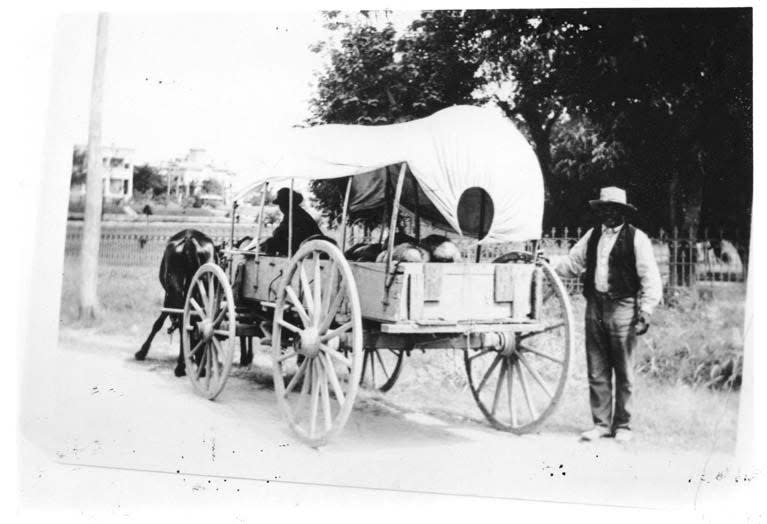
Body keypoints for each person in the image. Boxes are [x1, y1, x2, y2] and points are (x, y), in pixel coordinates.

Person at [555, 187, 662, 443]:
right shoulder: (592, 236)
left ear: (623, 212)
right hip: (595, 305)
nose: (608, 212)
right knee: (597, 366)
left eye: (614, 208)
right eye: (604, 208)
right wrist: (548, 267)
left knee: (624, 368)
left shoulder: (637, 239)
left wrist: (646, 310)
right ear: (600, 210)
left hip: (623, 306)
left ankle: (623, 425)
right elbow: (572, 263)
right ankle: (601, 424)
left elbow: (650, 277)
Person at [260, 187, 323, 256]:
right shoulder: (301, 213)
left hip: (305, 248)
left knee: (270, 242)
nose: (280, 207)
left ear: (285, 204)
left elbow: (278, 233)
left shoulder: (292, 215)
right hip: (311, 245)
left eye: (281, 204)